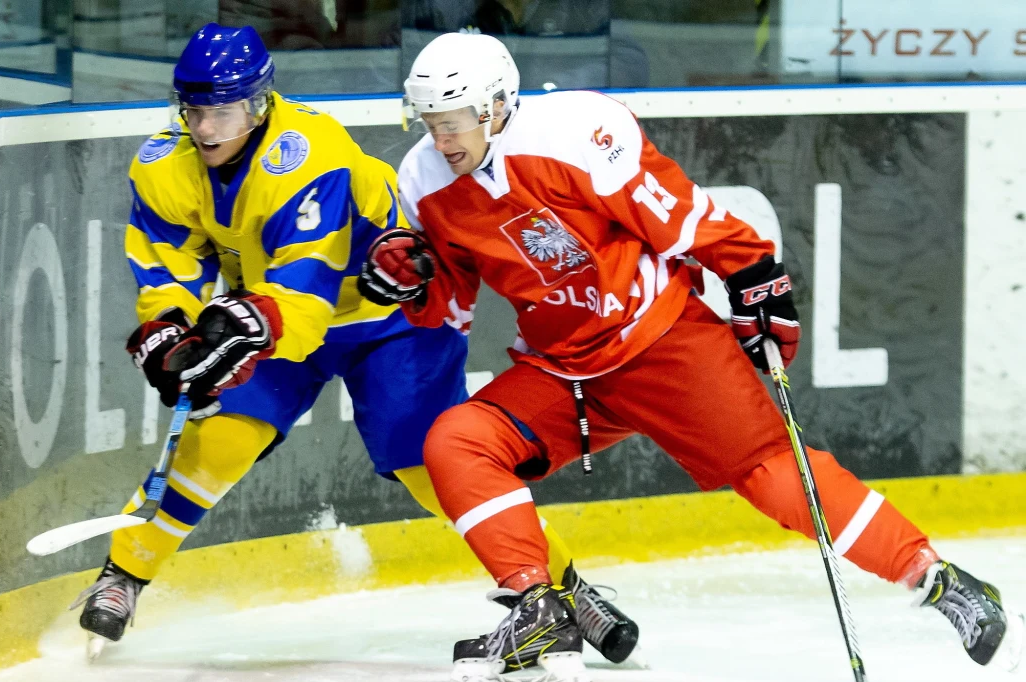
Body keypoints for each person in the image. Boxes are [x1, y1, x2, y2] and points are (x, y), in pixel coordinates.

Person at [360, 31, 1024, 681]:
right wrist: (413, 277)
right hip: (563, 371)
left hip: (664, 344)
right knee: (455, 441)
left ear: (498, 106)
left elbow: (679, 214)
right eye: (430, 122)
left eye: (454, 123)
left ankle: (939, 580)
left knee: (772, 471)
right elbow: (449, 302)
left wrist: (753, 275)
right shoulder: (421, 180)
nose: (442, 139)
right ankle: (538, 607)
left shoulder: (572, 133)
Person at [71, 23, 639, 666]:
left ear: (258, 104)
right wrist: (170, 329)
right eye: (195, 109)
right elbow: (167, 263)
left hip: (386, 316)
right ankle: (123, 574)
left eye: (223, 110)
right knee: (221, 441)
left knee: (436, 464)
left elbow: (304, 291)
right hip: (270, 313)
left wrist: (229, 333)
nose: (206, 128)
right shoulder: (160, 164)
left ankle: (565, 589)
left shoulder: (308, 152)